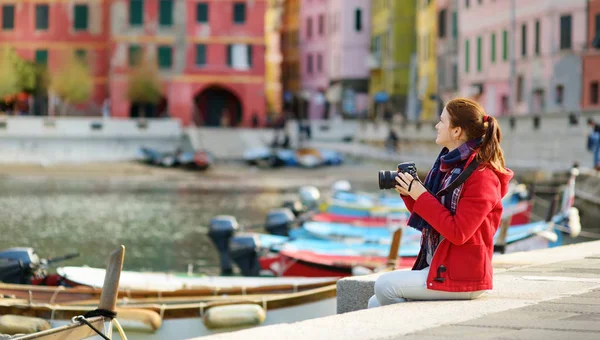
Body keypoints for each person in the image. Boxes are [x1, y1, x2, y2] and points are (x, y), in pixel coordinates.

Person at [368, 98, 513, 308]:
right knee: (375, 302)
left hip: (464, 275)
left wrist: (421, 195)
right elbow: (434, 217)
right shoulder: (450, 168)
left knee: (384, 286)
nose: (437, 126)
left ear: (456, 131)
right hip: (441, 265)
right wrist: (411, 194)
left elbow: (458, 232)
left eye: (442, 121)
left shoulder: (482, 176)